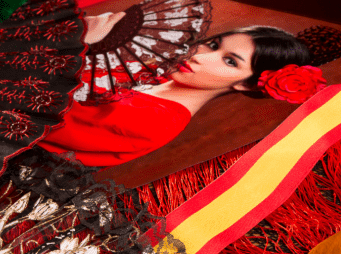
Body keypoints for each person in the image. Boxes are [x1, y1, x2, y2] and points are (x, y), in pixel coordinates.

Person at [37, 19, 313, 168]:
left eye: (230, 61)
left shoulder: (153, 121)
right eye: (213, 44)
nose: (200, 56)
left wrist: (78, 46)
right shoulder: (151, 71)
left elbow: (36, 111)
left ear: (248, 84)